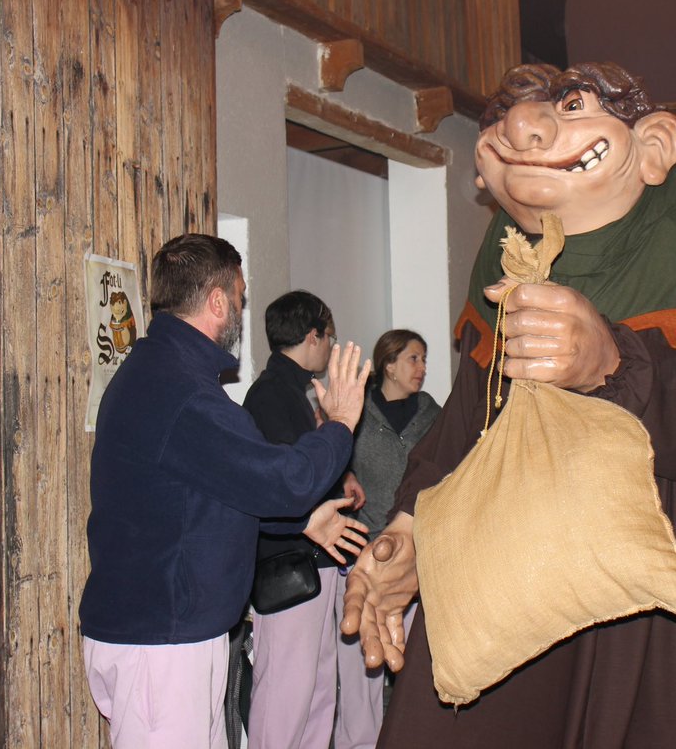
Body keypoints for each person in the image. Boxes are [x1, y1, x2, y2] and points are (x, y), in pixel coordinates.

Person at [343, 62, 676, 747]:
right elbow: (466, 427)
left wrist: (611, 360)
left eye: (572, 106)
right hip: (513, 568)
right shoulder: (503, 263)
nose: (527, 128)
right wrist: (411, 531)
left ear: (652, 147)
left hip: (637, 591)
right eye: (507, 120)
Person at [79, 234, 371, 748]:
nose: (241, 305)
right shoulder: (181, 392)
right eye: (239, 293)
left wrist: (302, 520)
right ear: (217, 301)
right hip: (161, 642)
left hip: (167, 635)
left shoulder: (165, 376)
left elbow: (217, 492)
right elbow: (282, 479)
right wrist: (342, 423)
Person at [242, 290, 369, 749]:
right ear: (312, 335)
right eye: (330, 337)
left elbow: (309, 462)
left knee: (317, 692)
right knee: (285, 696)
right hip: (289, 561)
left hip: (315, 558)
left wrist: (344, 474)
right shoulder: (271, 394)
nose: (332, 348)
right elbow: (284, 482)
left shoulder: (294, 389)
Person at [334, 330, 441, 749]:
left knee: (415, 662)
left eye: (424, 359)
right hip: (362, 552)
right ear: (389, 364)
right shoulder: (358, 413)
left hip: (418, 558)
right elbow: (333, 458)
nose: (422, 368)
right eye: (414, 359)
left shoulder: (434, 414)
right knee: (362, 665)